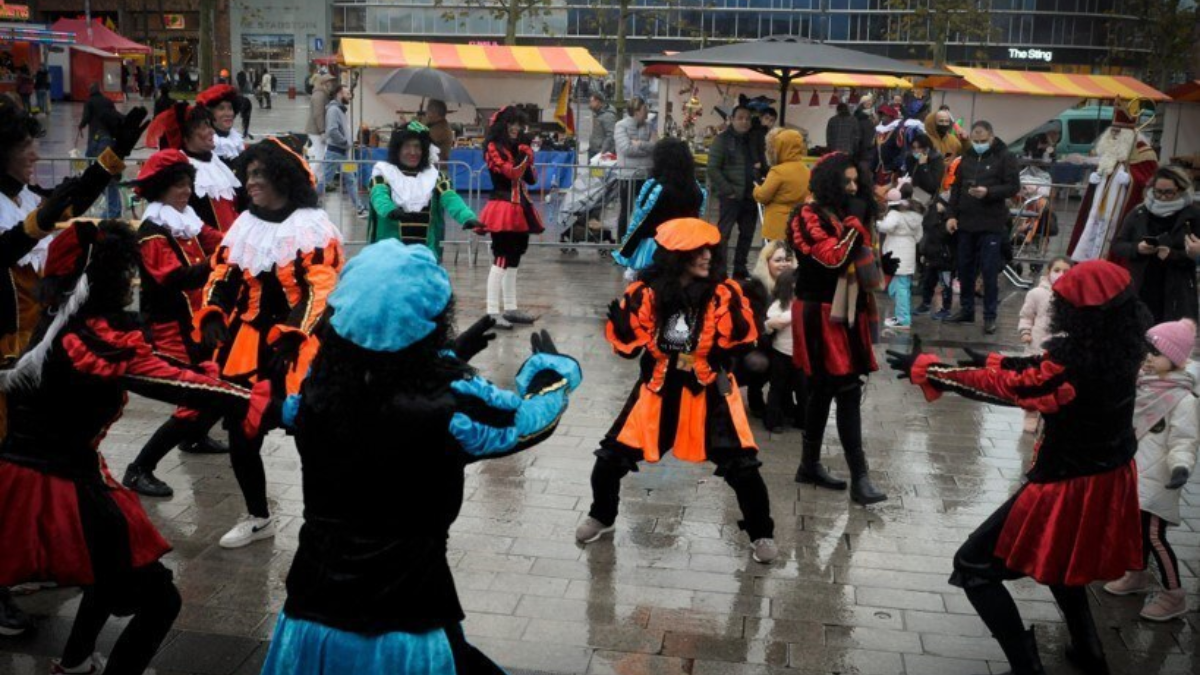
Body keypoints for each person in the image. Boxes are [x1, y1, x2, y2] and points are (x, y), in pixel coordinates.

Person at [256, 241, 581, 675]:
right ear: (433, 322)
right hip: (406, 622)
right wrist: (552, 375)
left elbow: (378, 387)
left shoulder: (318, 392)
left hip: (312, 615)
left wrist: (448, 357)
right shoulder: (453, 408)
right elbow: (527, 422)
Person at [0, 219, 270, 675]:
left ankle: (76, 661)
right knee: (162, 598)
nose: (133, 279)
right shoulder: (87, 339)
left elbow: (162, 366)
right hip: (60, 486)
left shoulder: (56, 324)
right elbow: (164, 379)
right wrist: (271, 405)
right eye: (125, 269)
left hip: (55, 474)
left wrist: (218, 379)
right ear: (98, 278)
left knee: (105, 579)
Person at [887, 259, 1150, 675]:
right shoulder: (1121, 345)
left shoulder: (1073, 364)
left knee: (973, 566)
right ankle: (1090, 652)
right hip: (1107, 474)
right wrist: (995, 360)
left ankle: (1027, 668)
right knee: (1065, 567)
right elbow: (1035, 370)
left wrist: (933, 370)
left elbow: (1019, 387)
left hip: (1068, 481)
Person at [576, 218, 778, 563]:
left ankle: (761, 533)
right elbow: (627, 350)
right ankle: (602, 515)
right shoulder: (645, 293)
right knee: (610, 459)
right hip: (656, 389)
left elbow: (741, 341)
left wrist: (751, 346)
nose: (706, 258)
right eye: (696, 252)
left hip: (709, 391)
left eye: (709, 251)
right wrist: (623, 330)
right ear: (674, 256)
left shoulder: (723, 293)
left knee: (743, 467)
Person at [195, 137, 344, 549]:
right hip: (247, 347)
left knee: (311, 436)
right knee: (243, 435)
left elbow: (320, 288)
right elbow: (223, 274)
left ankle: (326, 521)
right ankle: (258, 516)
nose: (251, 181)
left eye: (260, 174)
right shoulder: (244, 224)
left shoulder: (311, 227)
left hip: (300, 345)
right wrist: (211, 312)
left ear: (282, 176)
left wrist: (294, 335)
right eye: (249, 174)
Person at [119, 150, 230, 497]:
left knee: (217, 383)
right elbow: (172, 277)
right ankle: (139, 468)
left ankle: (194, 438)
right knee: (199, 396)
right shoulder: (153, 231)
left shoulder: (189, 221)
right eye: (177, 186)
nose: (185, 191)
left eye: (187, 184)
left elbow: (221, 239)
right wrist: (220, 262)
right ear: (160, 189)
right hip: (170, 328)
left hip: (196, 323)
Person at [789, 152, 889, 506]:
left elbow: (861, 268)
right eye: (845, 182)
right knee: (844, 389)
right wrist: (855, 225)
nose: (852, 187)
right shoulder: (806, 214)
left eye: (855, 182)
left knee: (824, 390)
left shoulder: (840, 215)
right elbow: (829, 258)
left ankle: (809, 464)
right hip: (819, 312)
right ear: (829, 182)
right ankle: (860, 477)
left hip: (847, 311)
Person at [1103, 318, 1198, 622]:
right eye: (1147, 351)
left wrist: (1181, 467)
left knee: (1155, 535)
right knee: (1136, 530)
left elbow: (1184, 440)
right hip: (1134, 474)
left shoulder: (1182, 398)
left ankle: (1174, 595)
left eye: (1155, 353)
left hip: (1161, 479)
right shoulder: (1143, 386)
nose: (1148, 358)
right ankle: (1137, 575)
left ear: (1175, 357)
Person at [945, 120, 1020, 335]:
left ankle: (989, 316)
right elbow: (956, 189)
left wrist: (988, 192)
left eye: (983, 141)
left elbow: (1013, 186)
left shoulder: (1005, 157)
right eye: (976, 140)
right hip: (966, 222)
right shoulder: (967, 156)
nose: (979, 144)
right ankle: (966, 309)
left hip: (991, 224)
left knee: (988, 271)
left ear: (992, 138)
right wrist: (951, 215)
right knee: (964, 268)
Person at [367, 120, 482, 258]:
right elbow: (378, 196)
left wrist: (467, 217)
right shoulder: (383, 174)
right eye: (407, 146)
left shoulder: (434, 177)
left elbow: (451, 198)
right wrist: (390, 210)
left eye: (417, 147)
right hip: (390, 255)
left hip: (425, 254)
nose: (413, 152)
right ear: (397, 149)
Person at [475, 106, 543, 329]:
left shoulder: (515, 148)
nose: (515, 128)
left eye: (518, 124)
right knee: (502, 257)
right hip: (502, 207)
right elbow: (510, 172)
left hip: (519, 207)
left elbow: (530, 179)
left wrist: (526, 157)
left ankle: (511, 307)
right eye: (511, 123)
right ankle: (492, 311)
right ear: (501, 125)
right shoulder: (493, 147)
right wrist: (525, 156)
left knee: (514, 258)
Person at [1110, 165, 1200, 323]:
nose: (1163, 197)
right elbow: (1117, 244)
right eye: (1159, 192)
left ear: (1181, 190)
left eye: (1169, 192)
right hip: (1142, 285)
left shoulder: (1193, 215)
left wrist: (1175, 255)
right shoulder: (1139, 212)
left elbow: (1195, 254)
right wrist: (1137, 248)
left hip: (1177, 290)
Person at [1069, 107, 1159, 262]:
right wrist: (1094, 181)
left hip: (1120, 207)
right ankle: (1088, 260)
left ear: (1128, 133)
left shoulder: (1143, 151)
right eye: (1113, 130)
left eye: (1118, 130)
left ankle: (1108, 261)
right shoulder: (1110, 150)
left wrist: (1132, 180)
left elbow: (1150, 181)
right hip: (1100, 203)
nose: (1114, 134)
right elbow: (1104, 170)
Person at [612, 137, 705, 274]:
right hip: (684, 249)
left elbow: (640, 222)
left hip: (654, 250)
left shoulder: (655, 188)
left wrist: (626, 251)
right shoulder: (696, 189)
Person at [147, 102, 244, 233]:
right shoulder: (179, 172)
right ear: (186, 137)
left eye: (210, 125)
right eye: (204, 127)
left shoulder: (217, 163)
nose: (212, 131)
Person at [1016, 256, 1073, 434]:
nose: (1060, 274)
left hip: (1060, 348)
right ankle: (1031, 414)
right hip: (1036, 345)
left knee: (1056, 382)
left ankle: (1049, 414)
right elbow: (1027, 315)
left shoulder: (1073, 295)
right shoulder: (1036, 294)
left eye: (1065, 271)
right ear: (1048, 272)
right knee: (1034, 381)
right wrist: (1025, 332)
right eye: (1056, 270)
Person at [739, 240, 794, 421]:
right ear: (767, 262)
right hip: (760, 345)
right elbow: (751, 324)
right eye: (778, 260)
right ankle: (756, 397)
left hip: (789, 345)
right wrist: (769, 325)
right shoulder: (755, 288)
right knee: (766, 362)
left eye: (787, 259)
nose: (784, 264)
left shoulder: (797, 286)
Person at [708, 105, 758, 277]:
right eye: (740, 118)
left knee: (747, 234)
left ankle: (740, 268)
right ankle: (719, 269)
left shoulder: (753, 141)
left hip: (750, 195)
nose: (744, 122)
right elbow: (713, 168)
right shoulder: (722, 140)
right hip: (731, 195)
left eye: (747, 119)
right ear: (732, 119)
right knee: (723, 234)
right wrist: (727, 190)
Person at [878, 184, 924, 331]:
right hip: (908, 252)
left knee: (899, 288)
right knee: (901, 286)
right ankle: (901, 315)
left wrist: (876, 222)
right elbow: (919, 236)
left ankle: (903, 319)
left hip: (895, 254)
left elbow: (887, 227)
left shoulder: (895, 214)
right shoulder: (917, 216)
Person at [764, 267, 804, 433]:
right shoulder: (779, 305)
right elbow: (774, 321)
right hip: (781, 353)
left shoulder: (803, 303)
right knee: (778, 388)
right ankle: (773, 421)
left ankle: (802, 420)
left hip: (801, 354)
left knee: (803, 390)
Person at [753, 128, 810, 242]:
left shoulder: (778, 171)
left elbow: (763, 197)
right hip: (799, 225)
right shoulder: (806, 170)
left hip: (777, 227)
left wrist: (756, 189)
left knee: (776, 258)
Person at [78, 83, 124, 219]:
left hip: (96, 141)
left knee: (96, 175)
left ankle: (112, 210)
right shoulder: (108, 101)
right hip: (110, 141)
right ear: (100, 90)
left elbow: (86, 118)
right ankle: (115, 209)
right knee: (110, 176)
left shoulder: (89, 102)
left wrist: (81, 126)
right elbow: (115, 118)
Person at [614, 97, 656, 242]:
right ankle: (621, 242)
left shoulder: (649, 126)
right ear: (636, 111)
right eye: (645, 109)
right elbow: (626, 149)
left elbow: (655, 146)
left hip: (645, 175)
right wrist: (646, 147)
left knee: (646, 210)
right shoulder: (620, 126)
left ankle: (641, 241)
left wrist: (639, 144)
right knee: (626, 210)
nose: (647, 113)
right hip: (627, 175)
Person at [319, 84, 365, 217]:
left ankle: (359, 207)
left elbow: (334, 130)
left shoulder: (338, 110)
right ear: (339, 93)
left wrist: (345, 144)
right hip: (336, 152)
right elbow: (332, 130)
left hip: (341, 153)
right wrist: (345, 142)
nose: (349, 96)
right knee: (326, 180)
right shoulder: (334, 110)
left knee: (349, 179)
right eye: (347, 93)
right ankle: (309, 204)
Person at [195, 84, 246, 163]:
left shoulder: (237, 141)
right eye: (221, 109)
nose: (228, 114)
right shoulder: (205, 148)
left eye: (230, 108)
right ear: (210, 114)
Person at [306, 72, 335, 162]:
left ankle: (319, 176)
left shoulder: (323, 94)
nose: (332, 84)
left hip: (317, 130)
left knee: (320, 157)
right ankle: (310, 175)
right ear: (324, 84)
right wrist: (322, 131)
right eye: (330, 82)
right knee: (320, 158)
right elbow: (318, 114)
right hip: (316, 131)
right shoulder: (319, 95)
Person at [853, 94, 877, 184]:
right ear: (862, 103)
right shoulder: (860, 115)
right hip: (864, 147)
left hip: (869, 145)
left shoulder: (872, 114)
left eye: (870, 102)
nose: (869, 103)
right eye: (867, 102)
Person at [587, 92, 617, 157]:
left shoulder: (608, 116)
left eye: (591, 101)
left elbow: (611, 135)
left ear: (597, 102)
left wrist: (603, 151)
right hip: (594, 150)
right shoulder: (597, 113)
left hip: (601, 153)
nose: (590, 104)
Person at [424, 98, 452, 163]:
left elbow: (423, 137)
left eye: (428, 110)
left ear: (435, 113)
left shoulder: (442, 129)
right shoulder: (433, 124)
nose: (427, 114)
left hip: (437, 165)